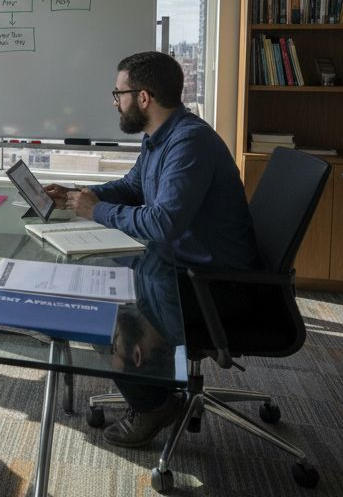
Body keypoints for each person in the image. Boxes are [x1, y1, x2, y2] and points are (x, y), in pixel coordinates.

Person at [43, 51, 259, 449]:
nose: (114, 101)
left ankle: (154, 406)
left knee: (110, 312)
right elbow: (132, 187)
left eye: (118, 93)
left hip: (213, 284)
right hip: (181, 264)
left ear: (143, 97)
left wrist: (97, 210)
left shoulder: (188, 143)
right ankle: (159, 389)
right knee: (95, 282)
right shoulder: (161, 137)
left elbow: (162, 223)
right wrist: (78, 196)